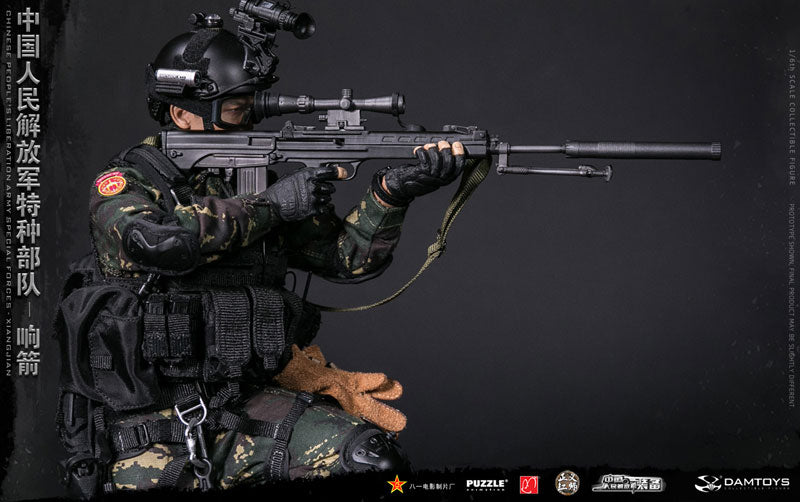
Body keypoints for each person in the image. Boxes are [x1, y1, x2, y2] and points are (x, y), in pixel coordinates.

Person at [54, 11, 469, 496]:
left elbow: (346, 260)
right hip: (146, 421)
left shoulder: (253, 183)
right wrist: (272, 206)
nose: (248, 120)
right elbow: (160, 243)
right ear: (182, 114)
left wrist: (389, 196)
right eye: (235, 110)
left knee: (370, 460)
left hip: (245, 402)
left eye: (252, 108)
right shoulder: (128, 182)